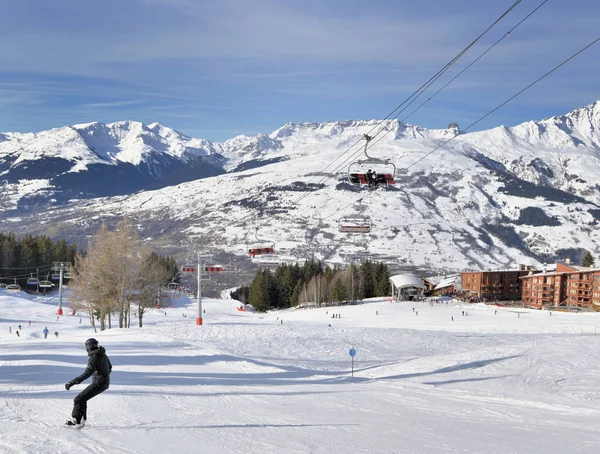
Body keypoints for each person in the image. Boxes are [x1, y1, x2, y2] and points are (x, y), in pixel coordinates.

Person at [64, 338, 112, 426]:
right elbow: (110, 367)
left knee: (78, 399)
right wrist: (103, 376)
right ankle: (82, 420)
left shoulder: (94, 357)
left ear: (88, 347)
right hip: (104, 382)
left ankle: (76, 420)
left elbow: (87, 373)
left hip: (99, 383)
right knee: (83, 399)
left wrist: (72, 382)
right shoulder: (103, 355)